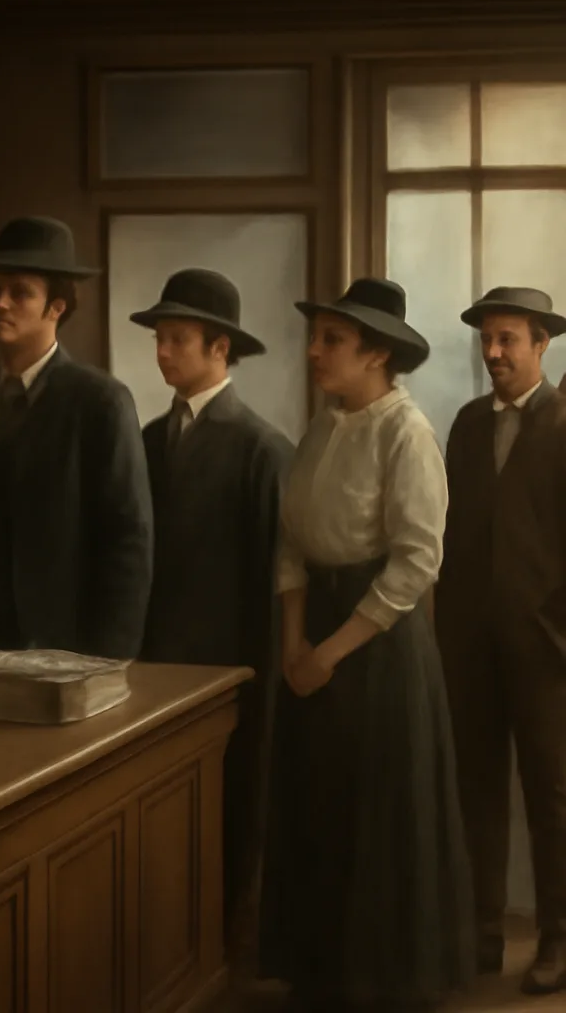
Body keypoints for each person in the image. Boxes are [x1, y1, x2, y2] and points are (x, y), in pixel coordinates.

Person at [259, 277, 475, 1011]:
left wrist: (332, 651)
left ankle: (378, 987)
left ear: (376, 354)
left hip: (377, 645)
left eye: (332, 341)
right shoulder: (323, 424)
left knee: (378, 818)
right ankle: (317, 975)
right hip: (311, 634)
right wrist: (294, 643)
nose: (315, 351)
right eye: (316, 336)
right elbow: (291, 538)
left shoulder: (405, 432)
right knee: (317, 808)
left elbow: (418, 560)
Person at [133, 268, 292, 950]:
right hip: (153, 662)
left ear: (219, 348)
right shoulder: (143, 441)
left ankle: (229, 945)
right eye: (160, 339)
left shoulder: (262, 448)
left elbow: (274, 580)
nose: (163, 352)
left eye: (178, 339)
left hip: (232, 664)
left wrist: (266, 672)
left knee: (233, 807)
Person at [0, 215, 153, 659]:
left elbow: (128, 541)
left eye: (20, 292)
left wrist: (109, 662)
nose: (1, 303)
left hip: (66, 649)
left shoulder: (100, 403)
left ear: (57, 306)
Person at [437, 286, 566, 995]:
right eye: (487, 339)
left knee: (552, 796)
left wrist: (557, 630)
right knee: (474, 789)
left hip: (546, 652)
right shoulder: (464, 426)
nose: (493, 354)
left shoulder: (564, 422)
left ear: (542, 344)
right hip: (470, 647)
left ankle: (558, 938)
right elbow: (450, 534)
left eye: (509, 339)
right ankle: (481, 930)